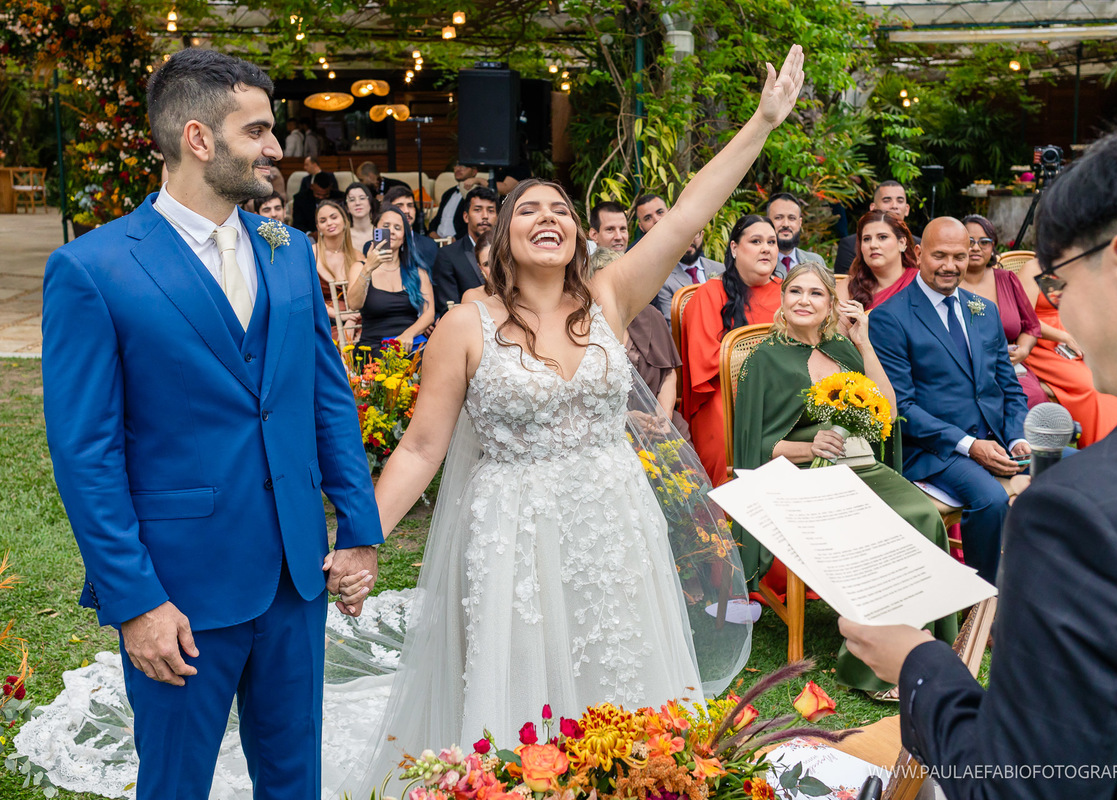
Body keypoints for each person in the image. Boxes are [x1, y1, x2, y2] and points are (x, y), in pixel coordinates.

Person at [326, 46, 804, 797]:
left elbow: (688, 214)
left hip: (614, 518)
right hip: (514, 525)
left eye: (561, 211)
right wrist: (362, 539)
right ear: (498, 240)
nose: (547, 219)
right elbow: (421, 448)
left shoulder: (612, 297)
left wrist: (762, 123)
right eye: (529, 211)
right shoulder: (465, 325)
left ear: (581, 235)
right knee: (521, 684)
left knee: (620, 665)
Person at [40, 48, 382, 800]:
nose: (275, 148)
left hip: (296, 575)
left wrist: (357, 528)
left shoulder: (290, 255)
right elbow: (85, 453)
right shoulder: (94, 270)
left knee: (296, 779)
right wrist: (135, 602)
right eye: (257, 130)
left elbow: (326, 399)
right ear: (199, 139)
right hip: (180, 589)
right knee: (175, 784)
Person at [840, 112, 1117, 800]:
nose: (1054, 305)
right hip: (937, 448)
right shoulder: (892, 317)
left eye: (1058, 280)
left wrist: (918, 660)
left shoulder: (1080, 516)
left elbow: (1027, 786)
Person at [733, 263, 956, 698]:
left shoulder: (843, 349)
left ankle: (922, 645)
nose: (804, 301)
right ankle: (873, 669)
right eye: (795, 291)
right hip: (797, 476)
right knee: (873, 527)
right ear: (782, 298)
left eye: (816, 294)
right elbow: (754, 446)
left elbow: (888, 411)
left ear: (831, 305)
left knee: (920, 514)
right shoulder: (765, 358)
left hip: (860, 466)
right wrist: (808, 447)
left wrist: (864, 343)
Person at [867, 218, 1030, 585]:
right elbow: (903, 409)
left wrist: (1018, 436)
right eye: (939, 255)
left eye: (959, 256)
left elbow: (1009, 386)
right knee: (989, 499)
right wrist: (971, 447)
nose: (949, 266)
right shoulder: (889, 318)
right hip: (931, 450)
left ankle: (1044, 581)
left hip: (997, 440)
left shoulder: (983, 310)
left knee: (1069, 465)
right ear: (919, 254)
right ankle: (984, 601)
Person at [680, 214, 784, 485]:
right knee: (723, 428)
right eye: (756, 241)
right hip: (726, 394)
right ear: (735, 248)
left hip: (786, 391)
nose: (766, 248)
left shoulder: (789, 293)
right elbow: (707, 363)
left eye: (771, 242)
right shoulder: (708, 294)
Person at [1015, 258, 1117, 446]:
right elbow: (1023, 317)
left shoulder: (1078, 266)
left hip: (1075, 336)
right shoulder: (1032, 269)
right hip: (1040, 342)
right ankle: (1100, 447)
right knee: (1091, 386)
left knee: (1114, 376)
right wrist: (1063, 336)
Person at [590, 246, 689, 437]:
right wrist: (624, 418)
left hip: (658, 423)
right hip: (611, 431)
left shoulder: (651, 316)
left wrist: (663, 415)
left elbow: (668, 374)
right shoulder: (583, 327)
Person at [958, 214, 1047, 407]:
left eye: (984, 242)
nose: (976, 247)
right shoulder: (948, 282)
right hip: (962, 368)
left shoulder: (1007, 279)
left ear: (992, 247)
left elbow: (1031, 326)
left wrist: (1023, 350)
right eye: (969, 241)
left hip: (1007, 367)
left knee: (1033, 397)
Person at [346, 204, 435, 356]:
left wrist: (408, 334)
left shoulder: (417, 272)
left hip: (410, 344)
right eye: (386, 226)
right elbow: (354, 304)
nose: (392, 232)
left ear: (403, 238)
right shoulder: (359, 267)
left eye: (397, 228)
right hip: (374, 347)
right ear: (376, 231)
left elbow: (429, 314)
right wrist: (368, 268)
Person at [431, 185, 497, 315]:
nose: (485, 216)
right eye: (478, 210)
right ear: (466, 217)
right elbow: (448, 306)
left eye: (491, 210)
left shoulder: (511, 252)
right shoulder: (448, 255)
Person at [838, 210, 920, 309]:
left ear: (902, 242)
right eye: (866, 239)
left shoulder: (920, 282)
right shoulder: (849, 288)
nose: (873, 245)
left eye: (882, 237)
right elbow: (836, 324)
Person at [834, 180, 918, 274]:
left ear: (907, 209)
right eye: (887, 200)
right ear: (873, 208)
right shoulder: (850, 245)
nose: (894, 206)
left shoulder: (920, 245)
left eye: (900, 201)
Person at [313, 199, 362, 341]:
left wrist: (351, 321)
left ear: (345, 220)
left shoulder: (357, 256)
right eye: (323, 220)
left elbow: (365, 296)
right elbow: (308, 294)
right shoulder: (312, 254)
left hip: (356, 319)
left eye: (334, 217)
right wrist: (336, 314)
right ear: (318, 227)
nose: (329, 223)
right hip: (324, 320)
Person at [653, 229, 725, 321]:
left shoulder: (721, 269)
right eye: (682, 236)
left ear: (702, 235)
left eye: (694, 234)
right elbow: (673, 325)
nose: (689, 240)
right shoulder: (664, 281)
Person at [765, 192, 826, 273]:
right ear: (767, 222)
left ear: (800, 222)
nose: (786, 224)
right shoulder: (761, 261)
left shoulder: (816, 262)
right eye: (778, 218)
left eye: (792, 218)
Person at [380, 185, 438, 270]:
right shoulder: (375, 246)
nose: (406, 211)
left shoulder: (429, 245)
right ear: (387, 211)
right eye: (399, 206)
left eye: (410, 205)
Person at [431, 162, 487, 240]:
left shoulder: (477, 194)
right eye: (456, 165)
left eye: (463, 165)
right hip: (438, 241)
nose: (458, 168)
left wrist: (455, 239)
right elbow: (437, 219)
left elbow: (476, 224)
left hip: (460, 242)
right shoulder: (448, 193)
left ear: (474, 172)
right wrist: (432, 232)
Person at [344, 181, 379, 255]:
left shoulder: (381, 232)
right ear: (346, 207)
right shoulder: (343, 235)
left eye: (362, 198)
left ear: (370, 202)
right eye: (352, 200)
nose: (357, 203)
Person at [460, 230, 494, 306]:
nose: (494, 268)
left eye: (497, 260)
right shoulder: (472, 297)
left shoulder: (524, 291)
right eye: (486, 264)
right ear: (481, 268)